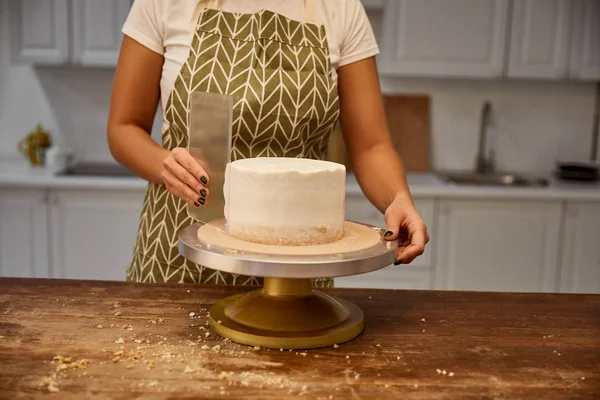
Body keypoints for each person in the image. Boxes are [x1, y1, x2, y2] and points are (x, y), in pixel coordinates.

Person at [107, 0, 429, 286]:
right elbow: (123, 128)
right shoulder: (161, 4)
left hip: (298, 267)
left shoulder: (341, 8)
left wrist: (397, 198)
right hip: (180, 257)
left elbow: (371, 146)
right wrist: (166, 168)